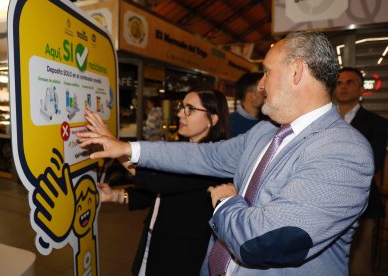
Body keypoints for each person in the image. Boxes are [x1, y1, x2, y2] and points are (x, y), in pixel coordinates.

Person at [78, 31, 374, 275]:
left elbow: (263, 241)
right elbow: (203, 157)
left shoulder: (343, 151)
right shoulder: (264, 132)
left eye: (266, 72)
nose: (260, 84)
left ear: (296, 72)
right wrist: (126, 148)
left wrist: (226, 202)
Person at [87, 90, 231, 275]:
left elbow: (159, 182)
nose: (180, 114)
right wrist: (116, 195)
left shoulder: (213, 160)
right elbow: (159, 195)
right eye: (181, 107)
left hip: (180, 252)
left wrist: (117, 147)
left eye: (190, 109)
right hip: (154, 238)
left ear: (213, 119)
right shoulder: (184, 148)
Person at [334, 66, 387, 276]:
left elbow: (374, 163)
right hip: (323, 201)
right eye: (338, 83)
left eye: (350, 82)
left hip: (362, 202)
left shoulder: (377, 123)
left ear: (361, 89)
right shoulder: (323, 120)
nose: (343, 87)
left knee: (359, 262)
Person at [230, 72, 266, 137]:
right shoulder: (229, 123)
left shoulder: (268, 123)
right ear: (251, 97)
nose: (266, 94)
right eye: (262, 91)